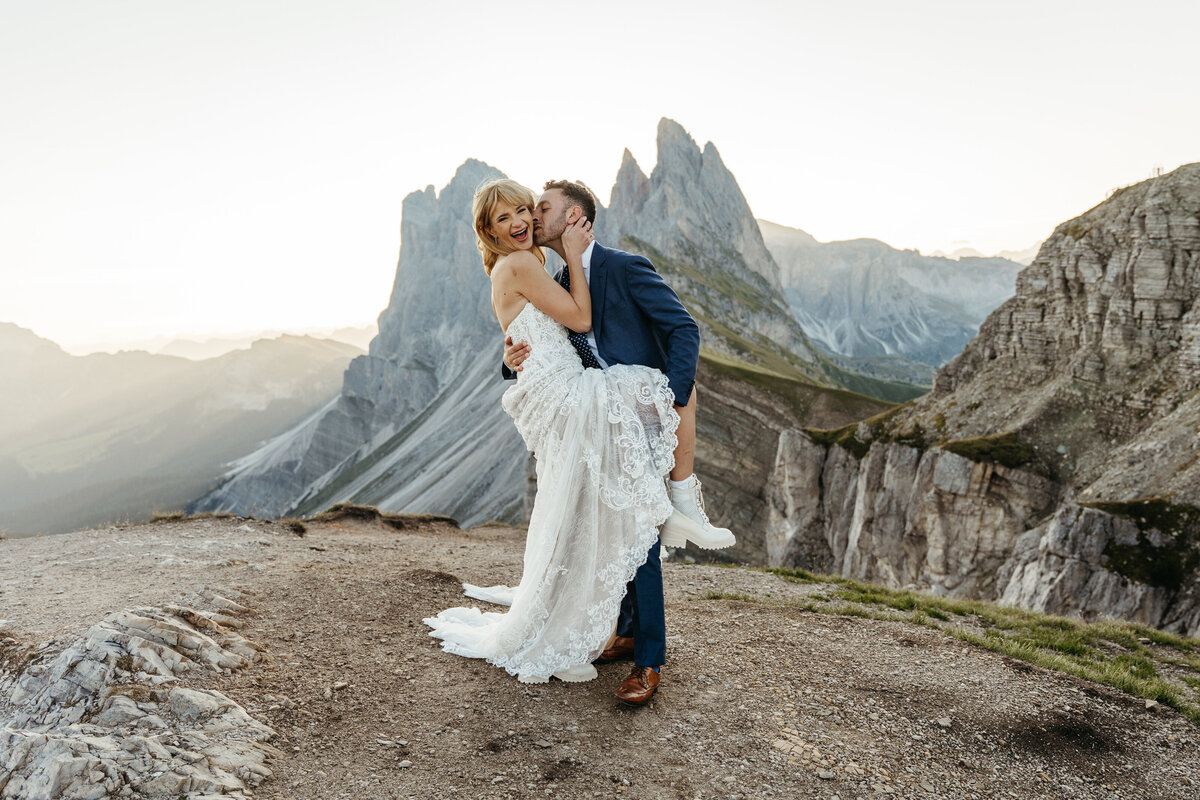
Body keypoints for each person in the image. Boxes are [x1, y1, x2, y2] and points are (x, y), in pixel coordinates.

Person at [424, 178, 679, 702]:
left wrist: (511, 356)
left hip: (563, 394)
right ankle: (645, 647)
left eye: (524, 210)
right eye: (504, 218)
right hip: (569, 402)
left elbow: (529, 334)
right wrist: (579, 260)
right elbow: (579, 318)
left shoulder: (532, 261)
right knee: (628, 504)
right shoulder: (520, 264)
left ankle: (630, 631)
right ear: (488, 230)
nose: (520, 221)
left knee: (603, 512)